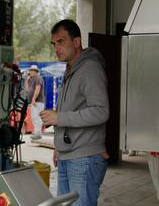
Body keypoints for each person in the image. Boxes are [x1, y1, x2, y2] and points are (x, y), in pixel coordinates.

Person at [40, 19, 109, 206]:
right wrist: (59, 145)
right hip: (68, 155)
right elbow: (74, 108)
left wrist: (59, 117)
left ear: (77, 42)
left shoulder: (90, 69)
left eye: (61, 42)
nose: (56, 48)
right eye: (54, 44)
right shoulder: (70, 70)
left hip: (83, 158)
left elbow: (101, 111)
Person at [26, 65, 45, 140]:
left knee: (37, 117)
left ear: (35, 71)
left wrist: (34, 98)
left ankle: (38, 133)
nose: (29, 72)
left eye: (31, 70)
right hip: (34, 102)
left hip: (38, 101)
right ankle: (36, 132)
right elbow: (28, 89)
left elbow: (38, 88)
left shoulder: (38, 78)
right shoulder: (31, 79)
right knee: (34, 117)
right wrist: (27, 81)